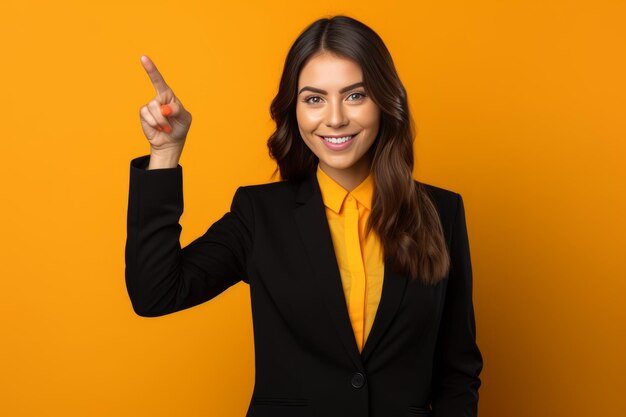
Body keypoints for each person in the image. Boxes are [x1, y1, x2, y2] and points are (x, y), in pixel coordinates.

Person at [125, 15, 483, 417]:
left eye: (355, 96)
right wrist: (165, 154)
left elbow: (458, 371)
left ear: (385, 101)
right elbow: (155, 293)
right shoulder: (260, 214)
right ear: (293, 109)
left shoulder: (442, 212)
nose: (334, 119)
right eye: (314, 99)